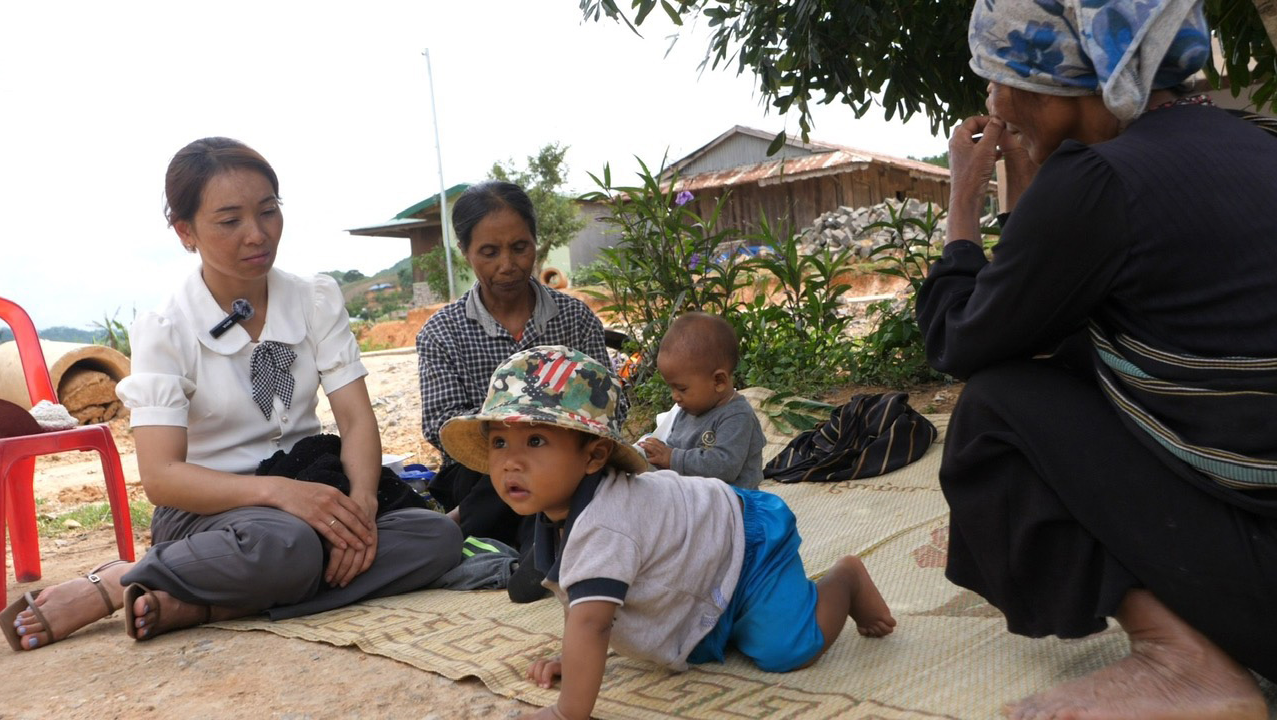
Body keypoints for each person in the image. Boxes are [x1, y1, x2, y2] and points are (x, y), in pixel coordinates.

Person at [917, 1, 1277, 717]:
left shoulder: (1102, 181)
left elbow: (964, 339)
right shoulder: (1254, 140)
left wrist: (962, 207)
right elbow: (1042, 300)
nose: (993, 99)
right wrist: (1030, 189)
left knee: (997, 407)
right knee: (1083, 352)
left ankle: (1184, 663)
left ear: (1059, 83)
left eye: (999, 74)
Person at [0, 137, 462, 652]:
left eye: (269, 211)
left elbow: (354, 421)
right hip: (215, 511)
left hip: (313, 480)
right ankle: (119, 580)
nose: (257, 234)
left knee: (435, 537)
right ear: (184, 231)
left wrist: (360, 505)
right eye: (229, 221)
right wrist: (279, 494)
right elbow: (161, 477)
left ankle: (211, 605)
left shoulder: (315, 299)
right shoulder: (166, 328)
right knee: (287, 546)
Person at [440, 346, 895, 720]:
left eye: (536, 441)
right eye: (500, 442)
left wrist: (566, 711)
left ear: (594, 457)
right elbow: (579, 602)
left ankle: (845, 580)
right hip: (700, 563)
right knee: (715, 635)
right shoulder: (556, 508)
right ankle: (733, 616)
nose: (510, 462)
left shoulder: (606, 524)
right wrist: (573, 660)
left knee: (787, 649)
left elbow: (592, 622)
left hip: (745, 544)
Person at [416, 181, 622, 560]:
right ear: (464, 252)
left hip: (565, 462)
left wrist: (550, 439)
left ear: (535, 242)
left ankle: (506, 544)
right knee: (508, 467)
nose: (507, 265)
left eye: (520, 248)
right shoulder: (442, 332)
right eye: (489, 252)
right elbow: (441, 425)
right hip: (484, 472)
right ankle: (546, 551)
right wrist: (513, 435)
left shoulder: (575, 319)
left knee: (568, 467)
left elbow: (611, 407)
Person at [637, 312, 765, 488]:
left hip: (734, 502)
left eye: (682, 388)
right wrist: (658, 451)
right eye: (671, 388)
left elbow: (724, 467)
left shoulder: (737, 416)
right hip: (695, 495)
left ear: (718, 381)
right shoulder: (688, 409)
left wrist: (672, 457)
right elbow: (675, 445)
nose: (675, 396)